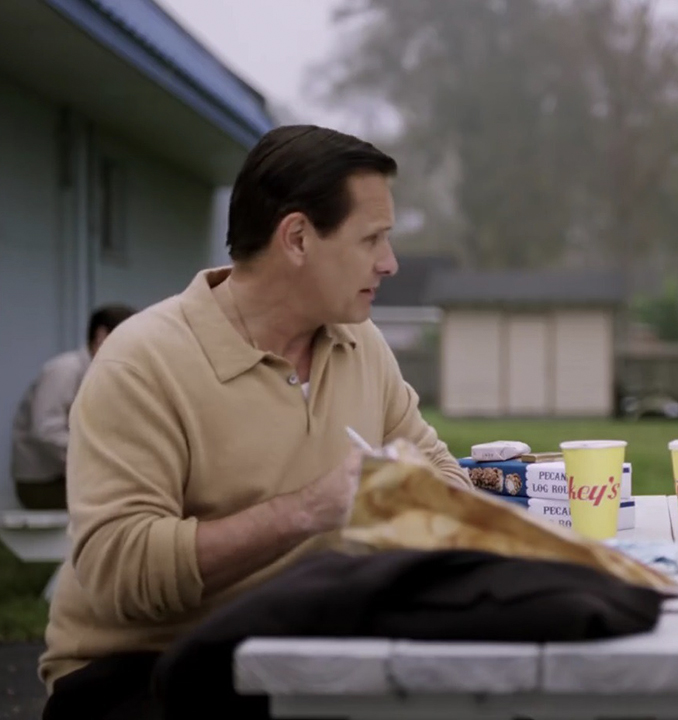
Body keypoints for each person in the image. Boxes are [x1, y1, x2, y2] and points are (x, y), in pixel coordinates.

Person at [39, 124, 472, 719]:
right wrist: (306, 511)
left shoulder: (360, 343)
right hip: (144, 672)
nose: (390, 263)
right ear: (296, 237)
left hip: (306, 651)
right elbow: (122, 571)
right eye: (372, 239)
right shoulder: (142, 361)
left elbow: (435, 465)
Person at [9, 304, 135, 510]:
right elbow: (45, 430)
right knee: (126, 501)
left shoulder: (106, 374)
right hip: (42, 484)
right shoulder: (64, 370)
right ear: (101, 336)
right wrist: (98, 457)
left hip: (75, 479)